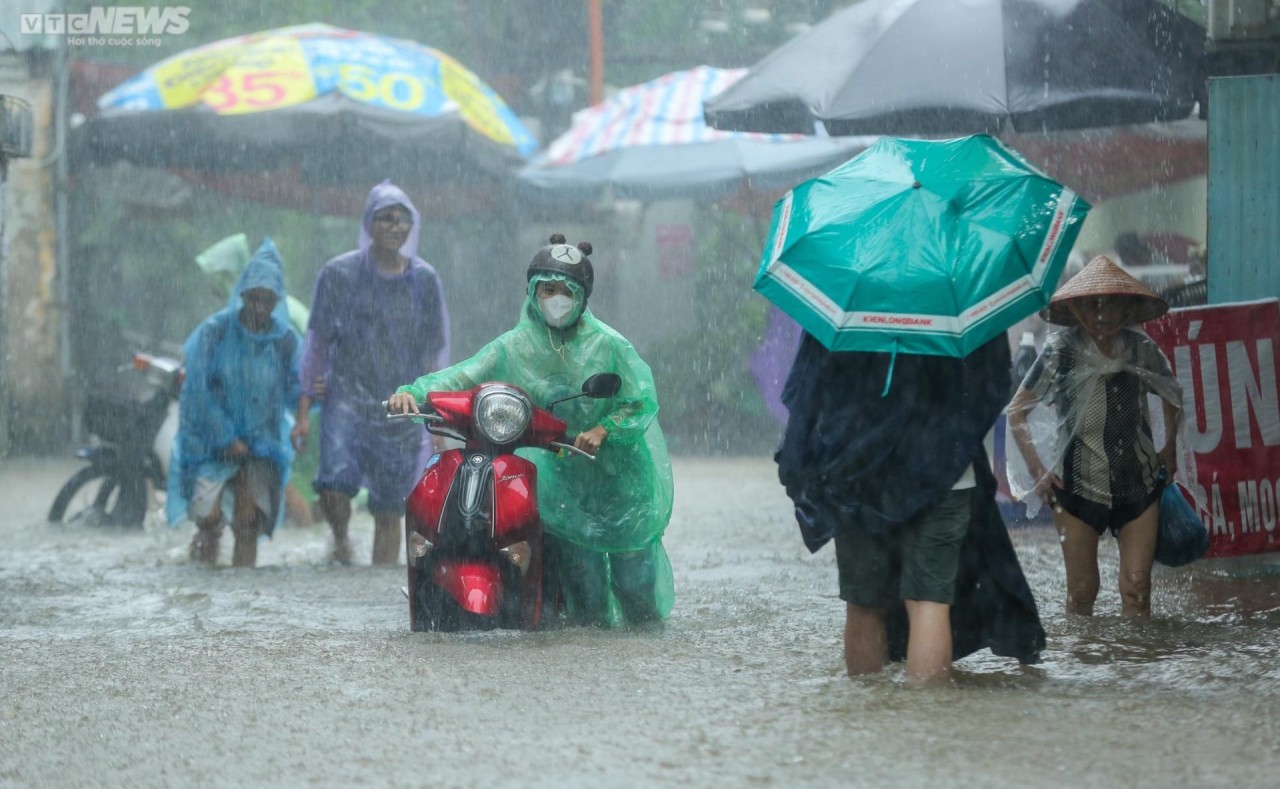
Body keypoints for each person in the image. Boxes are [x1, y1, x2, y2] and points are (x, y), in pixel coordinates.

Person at [386, 234, 675, 627]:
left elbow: (640, 400)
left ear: (583, 297)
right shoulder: (514, 345)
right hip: (563, 474)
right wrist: (412, 392)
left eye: (566, 291)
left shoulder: (610, 345)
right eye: (547, 289)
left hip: (619, 478)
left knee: (634, 581)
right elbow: (464, 374)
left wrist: (604, 430)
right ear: (532, 292)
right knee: (583, 589)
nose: (556, 299)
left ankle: (645, 651)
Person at [776, 334, 1045, 686]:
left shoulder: (848, 293)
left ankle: (866, 719)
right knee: (928, 601)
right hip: (942, 466)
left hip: (856, 473)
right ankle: (923, 727)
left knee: (864, 604)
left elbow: (809, 386)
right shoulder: (961, 294)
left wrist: (799, 469)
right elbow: (991, 385)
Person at [1007, 255, 1184, 617]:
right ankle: (1082, 665)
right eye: (1092, 304)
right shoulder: (1060, 352)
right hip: (1076, 485)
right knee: (1083, 592)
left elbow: (1172, 393)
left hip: (1139, 481)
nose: (1101, 313)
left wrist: (1170, 448)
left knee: (1137, 587)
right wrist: (1038, 470)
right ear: (1075, 308)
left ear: (1127, 308)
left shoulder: (1140, 350)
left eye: (1111, 304)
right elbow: (1017, 412)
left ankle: (1136, 665)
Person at [293, 181, 450, 565]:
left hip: (402, 402)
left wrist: (437, 420)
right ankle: (342, 540)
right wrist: (303, 411)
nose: (395, 227)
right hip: (346, 396)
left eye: (402, 220)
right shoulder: (339, 275)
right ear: (368, 223)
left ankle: (376, 585)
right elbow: (317, 343)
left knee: (390, 507)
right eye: (385, 218)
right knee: (333, 486)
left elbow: (434, 352)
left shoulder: (424, 280)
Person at [167, 239, 302, 568]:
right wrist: (226, 437)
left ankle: (242, 593)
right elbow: (198, 389)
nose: (259, 305)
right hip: (210, 441)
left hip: (262, 444)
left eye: (267, 299)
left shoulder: (284, 340)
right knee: (208, 518)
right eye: (254, 297)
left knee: (248, 521)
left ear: (276, 300)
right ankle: (204, 576)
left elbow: (296, 386)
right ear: (242, 294)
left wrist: (306, 408)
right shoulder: (216, 331)